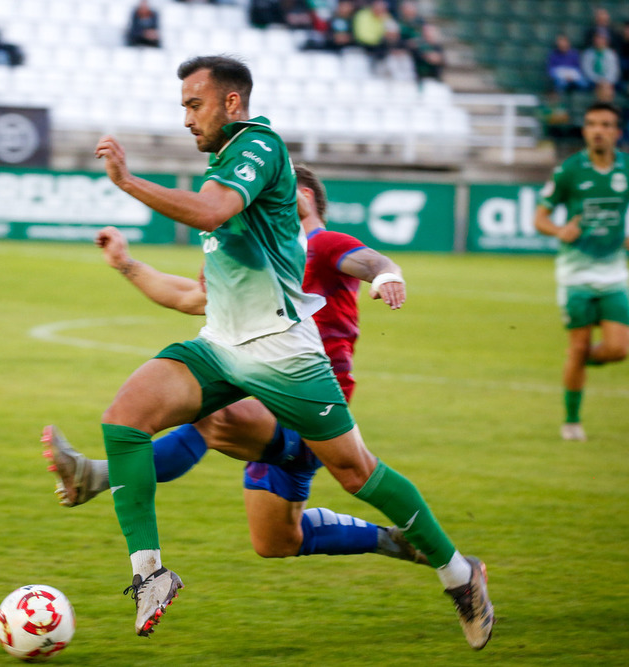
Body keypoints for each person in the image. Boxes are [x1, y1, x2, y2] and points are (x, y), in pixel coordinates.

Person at [47, 55, 493, 649]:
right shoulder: (224, 167)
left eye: (193, 103)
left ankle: (459, 575)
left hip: (284, 354)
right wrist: (128, 264)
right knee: (124, 418)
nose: (185, 117)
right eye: (182, 105)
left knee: (357, 472)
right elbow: (195, 293)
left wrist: (128, 183)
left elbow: (211, 211)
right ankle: (150, 574)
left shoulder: (258, 145)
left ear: (232, 103)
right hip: (220, 348)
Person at [45, 165, 432, 570]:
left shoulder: (323, 241)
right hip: (266, 396)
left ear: (298, 194)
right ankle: (396, 542)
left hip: (311, 407)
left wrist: (387, 274)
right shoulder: (267, 255)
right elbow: (189, 296)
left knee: (213, 419)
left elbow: (371, 261)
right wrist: (125, 263)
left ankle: (96, 476)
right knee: (276, 540)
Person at [534, 101, 629, 442]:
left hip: (615, 273)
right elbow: (540, 218)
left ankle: (576, 361)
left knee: (619, 349)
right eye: (591, 124)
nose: (598, 130)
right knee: (579, 344)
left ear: (617, 132)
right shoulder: (570, 170)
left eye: (605, 124)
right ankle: (571, 421)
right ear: (585, 131)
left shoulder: (626, 169)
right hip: (575, 275)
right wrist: (560, 231)